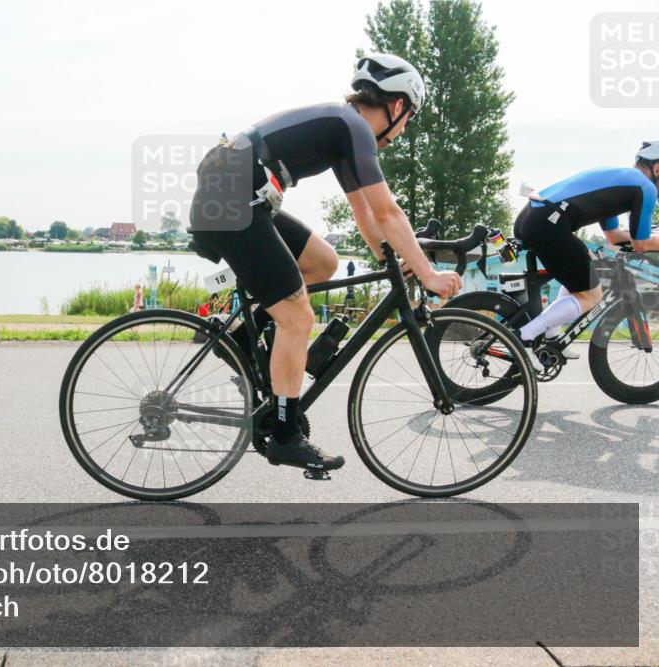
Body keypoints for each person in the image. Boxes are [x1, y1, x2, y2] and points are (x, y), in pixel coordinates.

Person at [188, 54, 462, 474]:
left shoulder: (343, 130)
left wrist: (390, 258)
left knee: (323, 261)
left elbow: (367, 214)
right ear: (397, 106)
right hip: (231, 200)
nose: (405, 129)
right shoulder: (353, 128)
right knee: (298, 316)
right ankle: (284, 436)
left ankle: (247, 336)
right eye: (409, 117)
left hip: (236, 195)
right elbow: (388, 212)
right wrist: (427, 273)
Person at [514, 141, 659, 359]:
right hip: (548, 223)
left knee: (589, 269)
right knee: (591, 295)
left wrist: (649, 237)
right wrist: (650, 239)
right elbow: (641, 245)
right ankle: (523, 337)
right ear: (658, 169)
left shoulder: (620, 181)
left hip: (535, 216)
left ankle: (552, 334)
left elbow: (613, 236)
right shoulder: (646, 188)